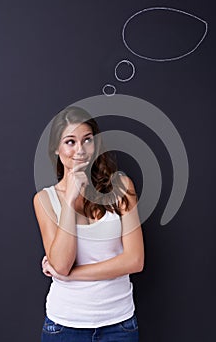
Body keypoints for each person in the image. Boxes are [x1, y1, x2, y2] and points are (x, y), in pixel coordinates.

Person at [33, 106, 144, 342]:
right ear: (56, 148)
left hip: (119, 324)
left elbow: (135, 260)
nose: (80, 150)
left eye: (87, 140)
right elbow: (62, 265)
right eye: (70, 142)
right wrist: (71, 198)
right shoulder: (44, 200)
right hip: (64, 326)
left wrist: (71, 277)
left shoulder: (122, 186)